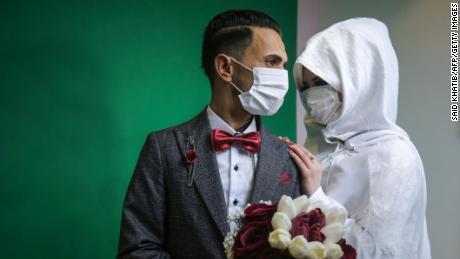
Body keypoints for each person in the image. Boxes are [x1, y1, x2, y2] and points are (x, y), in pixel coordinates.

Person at [116, 10, 301, 259]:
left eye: (284, 64)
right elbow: (137, 249)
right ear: (226, 68)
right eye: (271, 62)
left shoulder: (289, 157)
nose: (282, 75)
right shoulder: (164, 148)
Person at [285, 17, 431, 258]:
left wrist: (315, 196)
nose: (312, 95)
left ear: (360, 80)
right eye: (305, 86)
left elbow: (380, 251)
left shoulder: (393, 155)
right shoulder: (319, 140)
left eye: (321, 82)